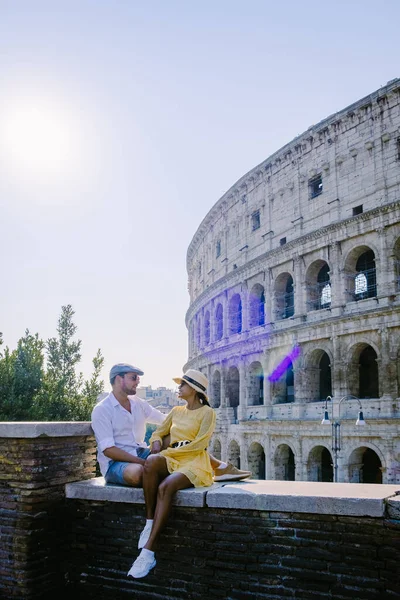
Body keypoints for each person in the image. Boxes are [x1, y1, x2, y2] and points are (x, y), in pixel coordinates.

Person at [91, 363, 252, 486]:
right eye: (134, 378)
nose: (137, 382)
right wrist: (143, 462)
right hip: (116, 464)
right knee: (138, 474)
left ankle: (219, 467)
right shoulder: (102, 410)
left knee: (177, 435)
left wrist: (192, 418)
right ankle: (196, 470)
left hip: (141, 452)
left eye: (138, 379)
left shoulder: (138, 403)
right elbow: (109, 450)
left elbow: (164, 420)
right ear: (119, 379)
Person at [127, 369, 216, 579]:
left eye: (183, 384)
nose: (179, 387)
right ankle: (149, 522)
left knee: (165, 487)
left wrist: (171, 451)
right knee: (150, 462)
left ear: (194, 390)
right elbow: (159, 431)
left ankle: (149, 552)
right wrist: (156, 441)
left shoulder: (207, 413)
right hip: (174, 457)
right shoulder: (176, 411)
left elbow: (200, 444)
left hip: (193, 461)